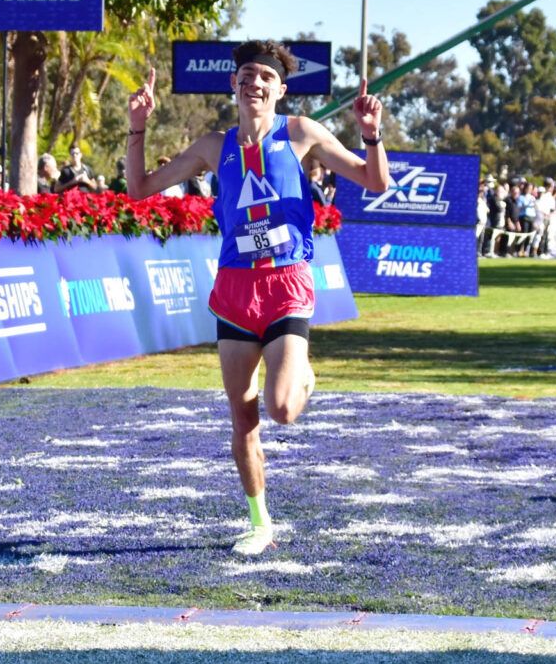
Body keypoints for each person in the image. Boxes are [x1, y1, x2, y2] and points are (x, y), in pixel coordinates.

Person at [126, 40, 389, 556]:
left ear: (280, 90)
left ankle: (303, 370)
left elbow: (374, 180)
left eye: (266, 77)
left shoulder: (301, 134)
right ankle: (260, 521)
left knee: (283, 408)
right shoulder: (212, 145)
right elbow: (140, 189)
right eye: (246, 74)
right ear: (234, 84)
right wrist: (138, 128)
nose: (256, 83)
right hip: (234, 291)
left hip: (287, 285)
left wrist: (372, 136)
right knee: (243, 416)